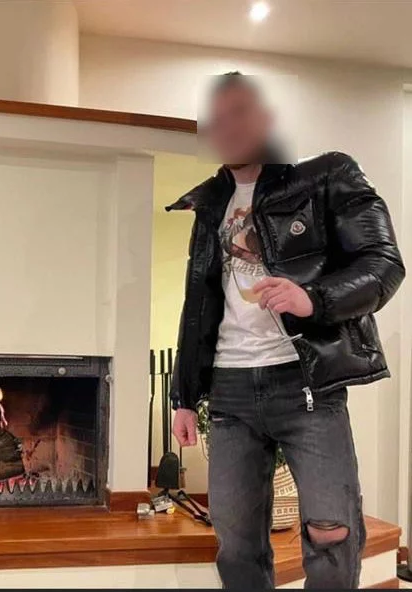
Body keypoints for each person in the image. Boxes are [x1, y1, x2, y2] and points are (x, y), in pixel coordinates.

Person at [167, 72, 405, 589]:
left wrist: (313, 298)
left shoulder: (326, 177)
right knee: (236, 542)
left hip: (305, 385)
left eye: (239, 112)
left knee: (332, 532)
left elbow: (384, 263)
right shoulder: (208, 205)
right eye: (216, 118)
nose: (227, 126)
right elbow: (197, 306)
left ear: (267, 119)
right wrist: (184, 397)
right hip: (229, 393)